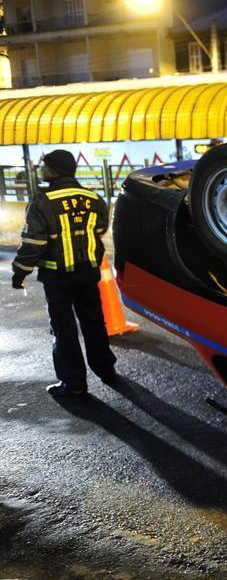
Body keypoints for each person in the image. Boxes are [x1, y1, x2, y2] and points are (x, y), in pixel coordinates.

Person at [11, 150, 117, 396]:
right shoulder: (93, 198)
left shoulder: (42, 201)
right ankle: (106, 370)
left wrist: (20, 272)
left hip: (57, 276)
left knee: (63, 327)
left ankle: (74, 383)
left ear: (54, 169)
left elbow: (33, 243)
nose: (40, 169)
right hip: (88, 272)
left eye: (44, 165)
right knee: (94, 322)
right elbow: (100, 228)